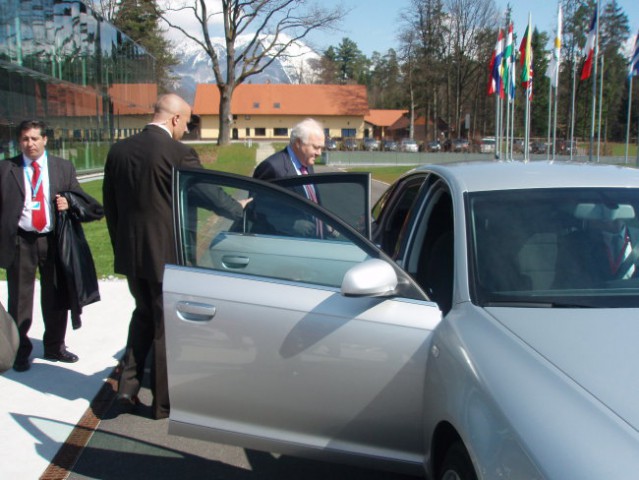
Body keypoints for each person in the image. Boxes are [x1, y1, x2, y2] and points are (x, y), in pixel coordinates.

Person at [103, 93, 250, 420]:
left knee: (142, 315)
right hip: (167, 257)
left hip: (131, 255)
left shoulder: (118, 151)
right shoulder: (178, 153)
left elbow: (111, 208)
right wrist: (235, 210)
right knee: (165, 327)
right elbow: (207, 193)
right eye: (186, 121)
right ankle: (163, 404)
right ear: (173, 119)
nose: (187, 127)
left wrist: (122, 249)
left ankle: (126, 390)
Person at [0, 120, 83, 372]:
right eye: (25, 139)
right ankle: (20, 351)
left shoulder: (62, 167)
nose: (30, 143)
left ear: (45, 140)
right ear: (19, 142)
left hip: (53, 240)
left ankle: (55, 347)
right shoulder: (5, 168)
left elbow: (79, 197)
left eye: (35, 138)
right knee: (20, 300)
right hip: (20, 241)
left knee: (57, 296)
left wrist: (69, 202)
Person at [251, 118, 325, 236]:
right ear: (298, 143)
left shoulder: (307, 163)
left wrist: (325, 224)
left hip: (311, 242)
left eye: (321, 148)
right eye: (316, 147)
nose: (319, 153)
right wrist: (292, 224)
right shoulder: (272, 168)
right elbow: (257, 209)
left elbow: (313, 202)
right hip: (285, 244)